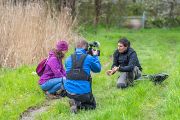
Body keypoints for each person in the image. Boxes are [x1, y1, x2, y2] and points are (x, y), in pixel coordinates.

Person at [64, 39, 101, 113]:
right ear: (86, 48)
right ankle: (78, 104)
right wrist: (95, 56)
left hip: (68, 91)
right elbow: (97, 69)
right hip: (83, 92)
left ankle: (74, 101)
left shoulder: (68, 59)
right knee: (92, 106)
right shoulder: (89, 58)